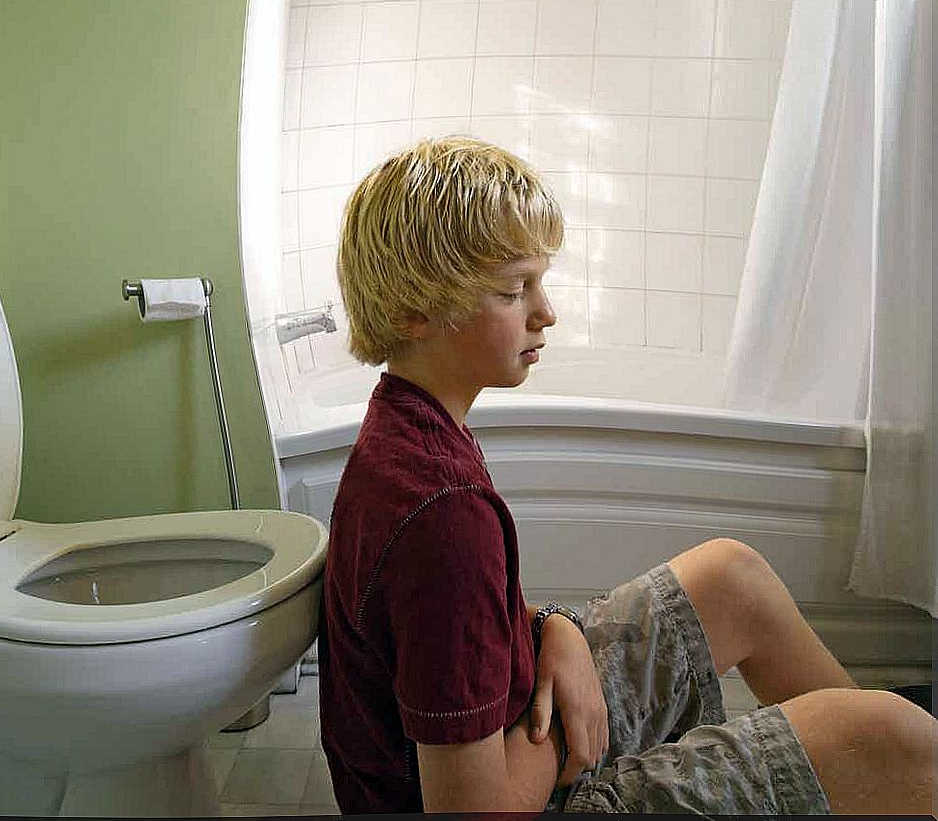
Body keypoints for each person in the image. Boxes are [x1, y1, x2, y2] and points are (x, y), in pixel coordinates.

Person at [317, 136, 936, 815]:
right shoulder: (441, 514)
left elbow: (454, 628)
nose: (545, 310)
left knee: (734, 577)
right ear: (416, 312)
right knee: (887, 735)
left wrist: (559, 629)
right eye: (513, 288)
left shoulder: (406, 431)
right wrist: (565, 734)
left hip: (509, 734)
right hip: (509, 791)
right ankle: (891, 774)